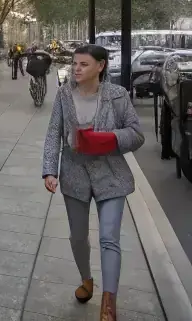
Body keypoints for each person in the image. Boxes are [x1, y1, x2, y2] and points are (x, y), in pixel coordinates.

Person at [42, 43, 145, 321]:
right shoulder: (64, 93)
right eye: (75, 63)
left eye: (83, 64)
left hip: (111, 174)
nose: (76, 68)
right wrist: (49, 170)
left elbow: (136, 134)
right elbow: (54, 133)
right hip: (74, 174)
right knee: (78, 237)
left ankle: (108, 303)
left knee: (109, 238)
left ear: (100, 66)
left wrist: (110, 139)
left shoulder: (118, 95)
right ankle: (86, 279)